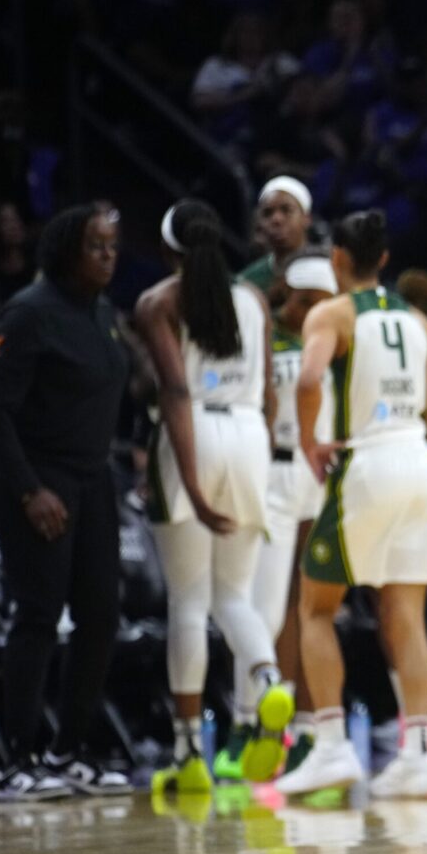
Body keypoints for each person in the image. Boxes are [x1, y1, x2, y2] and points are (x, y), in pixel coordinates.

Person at [273, 210, 427, 799]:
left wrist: (307, 440)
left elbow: (308, 379)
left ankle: (329, 745)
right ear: (385, 258)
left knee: (316, 606)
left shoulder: (333, 312)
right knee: (406, 612)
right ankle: (419, 753)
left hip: (367, 460)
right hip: (421, 465)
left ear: (339, 261)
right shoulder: (419, 321)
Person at [135, 199, 292, 793]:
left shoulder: (158, 302)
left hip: (196, 432)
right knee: (234, 596)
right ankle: (270, 683)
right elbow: (271, 394)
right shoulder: (252, 300)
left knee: (189, 603)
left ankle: (187, 757)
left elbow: (174, 390)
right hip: (251, 435)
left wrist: (193, 488)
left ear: (169, 248)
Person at [0, 205, 132, 800]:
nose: (109, 255)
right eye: (96, 246)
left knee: (101, 614)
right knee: (38, 616)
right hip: (38, 482)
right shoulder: (28, 314)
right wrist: (29, 490)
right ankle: (13, 760)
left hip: (94, 479)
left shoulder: (102, 312)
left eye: (113, 245)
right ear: (66, 250)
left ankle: (69, 750)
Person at [219, 252, 337, 781]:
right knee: (263, 608)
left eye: (321, 303)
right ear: (290, 295)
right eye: (307, 301)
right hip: (272, 472)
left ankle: (309, 733)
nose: (312, 310)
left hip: (321, 477)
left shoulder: (336, 340)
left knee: (313, 609)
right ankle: (249, 723)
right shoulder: (266, 338)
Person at [241, 176, 314, 299]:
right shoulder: (247, 281)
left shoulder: (329, 271)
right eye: (267, 213)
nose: (276, 220)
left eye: (287, 210)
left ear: (306, 218)